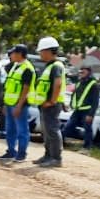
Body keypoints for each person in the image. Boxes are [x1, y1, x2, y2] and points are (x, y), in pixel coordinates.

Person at [31, 37, 67, 167]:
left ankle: (56, 158)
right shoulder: (49, 66)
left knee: (52, 130)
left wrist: (52, 101)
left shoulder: (56, 66)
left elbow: (57, 84)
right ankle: (48, 155)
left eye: (42, 51)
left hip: (51, 105)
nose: (40, 54)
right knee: (46, 131)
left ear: (49, 51)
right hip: (45, 104)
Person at [0, 45, 35, 164]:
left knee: (22, 130)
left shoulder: (27, 68)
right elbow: (8, 86)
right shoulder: (15, 66)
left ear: (19, 54)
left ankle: (21, 153)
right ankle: (11, 151)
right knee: (10, 129)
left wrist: (19, 105)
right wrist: (4, 104)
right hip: (9, 104)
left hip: (20, 105)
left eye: (13, 53)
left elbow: (26, 89)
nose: (11, 55)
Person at [63, 66, 100, 152]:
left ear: (89, 72)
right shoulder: (79, 83)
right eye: (80, 71)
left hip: (87, 111)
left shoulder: (94, 85)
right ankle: (59, 143)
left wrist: (91, 114)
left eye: (84, 71)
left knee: (87, 129)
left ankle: (87, 148)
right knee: (68, 127)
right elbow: (74, 95)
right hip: (77, 110)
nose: (81, 72)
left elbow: (95, 101)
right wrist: (70, 105)